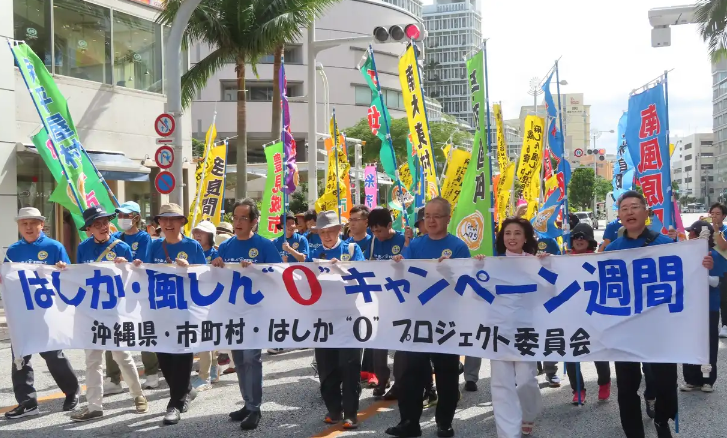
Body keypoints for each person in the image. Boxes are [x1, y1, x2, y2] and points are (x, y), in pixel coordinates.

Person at [604, 190, 714, 438]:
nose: (629, 212)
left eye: (635, 207)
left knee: (665, 382)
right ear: (619, 216)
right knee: (626, 386)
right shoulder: (613, 249)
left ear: (646, 212)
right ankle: (633, 432)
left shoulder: (665, 244)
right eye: (624, 209)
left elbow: (686, 275)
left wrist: (702, 264)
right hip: (626, 328)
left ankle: (662, 419)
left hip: (660, 327)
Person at [386, 197, 469, 438]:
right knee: (408, 373)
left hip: (446, 320)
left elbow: (463, 286)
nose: (431, 221)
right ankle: (409, 423)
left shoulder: (458, 247)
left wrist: (450, 271)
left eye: (437, 216)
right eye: (427, 216)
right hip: (416, 319)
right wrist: (397, 264)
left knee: (446, 374)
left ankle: (444, 423)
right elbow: (403, 277)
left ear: (447, 218)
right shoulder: (415, 246)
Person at [71, 206, 148, 422]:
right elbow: (80, 276)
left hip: (114, 310)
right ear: (89, 229)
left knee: (121, 355)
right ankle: (94, 405)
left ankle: (138, 395)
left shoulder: (121, 246)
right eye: (97, 224)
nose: (103, 227)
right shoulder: (83, 248)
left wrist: (127, 266)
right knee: (92, 359)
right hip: (91, 310)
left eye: (105, 222)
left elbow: (132, 280)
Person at [3, 207, 81, 419]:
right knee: (20, 356)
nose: (28, 227)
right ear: (19, 226)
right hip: (22, 313)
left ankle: (72, 390)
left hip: (47, 312)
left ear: (41, 224)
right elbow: (7, 279)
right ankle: (27, 402)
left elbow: (68, 276)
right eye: (23, 223)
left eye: (32, 223)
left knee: (53, 354)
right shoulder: (13, 250)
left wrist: (63, 268)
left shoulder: (54, 247)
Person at [212, 198, 282, 430]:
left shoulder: (264, 246)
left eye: (244, 218)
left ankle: (255, 408)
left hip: (256, 312)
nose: (238, 222)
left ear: (253, 222)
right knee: (239, 359)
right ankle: (247, 402)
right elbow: (216, 279)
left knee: (252, 357)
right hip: (233, 312)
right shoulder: (225, 246)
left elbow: (278, 276)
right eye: (235, 217)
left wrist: (256, 271)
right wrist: (216, 265)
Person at [139, 203, 206, 425]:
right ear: (159, 223)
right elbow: (145, 273)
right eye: (164, 220)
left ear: (181, 222)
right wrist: (135, 266)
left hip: (185, 312)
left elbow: (206, 277)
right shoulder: (154, 246)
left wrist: (190, 269)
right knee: (164, 357)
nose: (168, 224)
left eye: (173, 219)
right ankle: (186, 389)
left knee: (181, 354)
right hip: (160, 311)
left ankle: (175, 403)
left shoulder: (193, 246)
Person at [305, 210, 365, 430]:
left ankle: (351, 413)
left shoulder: (351, 249)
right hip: (323, 318)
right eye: (322, 232)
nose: (327, 236)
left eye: (331, 231)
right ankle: (333, 409)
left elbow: (362, 277)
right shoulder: (314, 254)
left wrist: (341, 267)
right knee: (326, 366)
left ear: (340, 230)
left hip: (349, 315)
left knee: (349, 365)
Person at [489, 217, 544, 437]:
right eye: (507, 233)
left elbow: (553, 286)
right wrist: (479, 265)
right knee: (501, 385)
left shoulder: (535, 262)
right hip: (498, 331)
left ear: (525, 238)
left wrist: (546, 264)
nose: (512, 238)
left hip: (526, 331)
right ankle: (508, 432)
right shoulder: (493, 263)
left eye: (517, 233)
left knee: (525, 381)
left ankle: (528, 414)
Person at [105, 201, 159, 392]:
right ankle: (113, 378)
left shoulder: (144, 238)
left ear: (136, 217)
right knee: (113, 332)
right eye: (120, 215)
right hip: (118, 291)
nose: (122, 219)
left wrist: (128, 262)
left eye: (127, 216)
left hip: (139, 290)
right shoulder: (115, 238)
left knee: (144, 330)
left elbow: (142, 262)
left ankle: (152, 373)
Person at [565, 223, 611, 404]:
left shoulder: (599, 260)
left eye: (582, 237)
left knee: (598, 352)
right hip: (570, 315)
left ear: (590, 240)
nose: (578, 240)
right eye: (576, 237)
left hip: (594, 314)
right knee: (569, 353)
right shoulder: (564, 261)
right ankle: (577, 389)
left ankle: (604, 383)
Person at [681, 220, 727, 393]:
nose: (689, 235)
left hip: (709, 307)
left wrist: (699, 273)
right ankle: (690, 378)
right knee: (690, 341)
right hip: (690, 307)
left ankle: (707, 379)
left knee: (709, 343)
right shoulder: (686, 254)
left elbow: (716, 282)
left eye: (691, 232)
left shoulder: (714, 255)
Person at [367, 208, 407, 398]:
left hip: (401, 299)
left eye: (379, 230)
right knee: (379, 342)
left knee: (400, 342)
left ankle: (399, 383)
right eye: (373, 231)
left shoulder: (402, 240)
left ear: (390, 226)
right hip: (380, 299)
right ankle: (382, 379)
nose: (377, 234)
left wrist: (407, 245)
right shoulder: (374, 242)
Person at [190, 220, 220, 391]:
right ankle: (211, 369)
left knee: (207, 337)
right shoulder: (192, 251)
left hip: (213, 299)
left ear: (211, 236)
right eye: (196, 232)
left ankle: (204, 376)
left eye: (202, 232)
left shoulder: (216, 254)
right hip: (195, 299)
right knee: (205, 336)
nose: (198, 235)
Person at [709, 203, 727, 338]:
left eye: (718, 214)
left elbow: (723, 246)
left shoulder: (725, 230)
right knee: (714, 297)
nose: (714, 216)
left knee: (724, 299)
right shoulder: (706, 229)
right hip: (711, 270)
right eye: (712, 214)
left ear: (724, 216)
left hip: (724, 269)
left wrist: (716, 231)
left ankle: (725, 325)